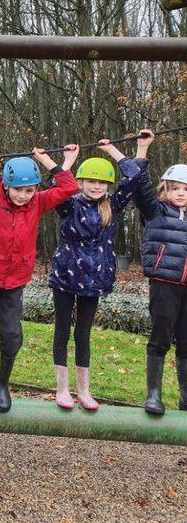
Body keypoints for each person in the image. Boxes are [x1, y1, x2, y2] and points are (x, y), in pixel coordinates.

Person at [0, 147, 79, 413]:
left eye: (29, 190)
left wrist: (47, 161)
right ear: (5, 186)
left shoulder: (37, 203)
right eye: (18, 189)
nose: (23, 196)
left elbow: (69, 187)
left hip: (15, 279)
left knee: (11, 334)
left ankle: (3, 384)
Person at [48, 140, 146, 411]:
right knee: (62, 331)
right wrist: (67, 161)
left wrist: (113, 151)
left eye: (102, 182)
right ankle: (62, 389)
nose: (96, 186)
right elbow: (57, 188)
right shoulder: (69, 204)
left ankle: (84, 391)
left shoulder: (112, 205)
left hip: (95, 278)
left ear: (108, 186)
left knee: (83, 333)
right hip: (66, 276)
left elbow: (135, 176)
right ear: (80, 182)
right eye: (90, 181)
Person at [130, 133, 187, 416]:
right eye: (175, 188)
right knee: (161, 337)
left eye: (185, 189)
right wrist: (143, 148)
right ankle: (154, 395)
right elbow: (140, 188)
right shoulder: (156, 212)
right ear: (165, 189)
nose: (180, 193)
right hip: (165, 285)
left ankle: (185, 398)